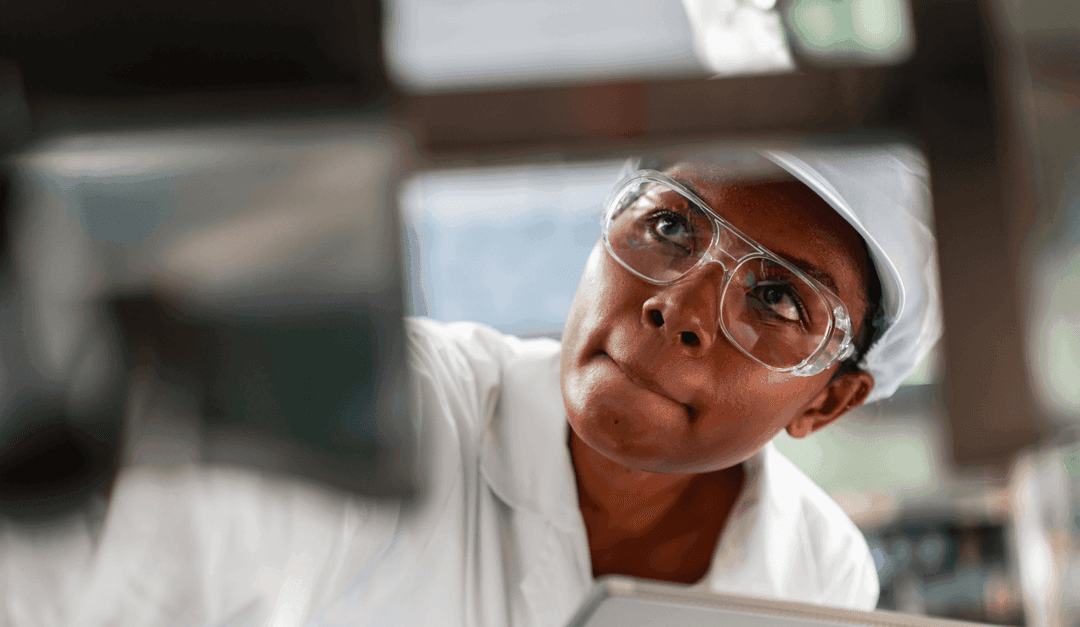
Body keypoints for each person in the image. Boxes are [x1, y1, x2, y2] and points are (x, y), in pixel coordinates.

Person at [1, 144, 940, 627]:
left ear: (828, 402)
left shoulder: (816, 569)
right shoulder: (392, 408)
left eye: (777, 297)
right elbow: (118, 555)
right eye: (670, 227)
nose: (679, 305)